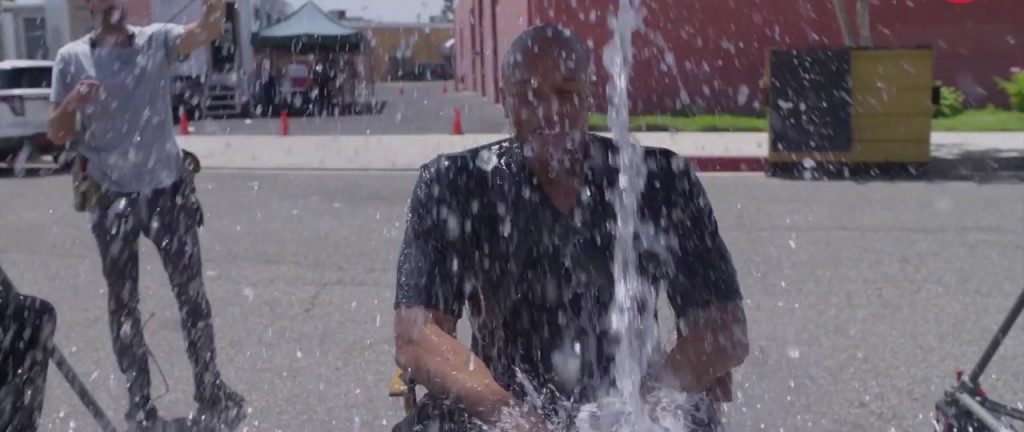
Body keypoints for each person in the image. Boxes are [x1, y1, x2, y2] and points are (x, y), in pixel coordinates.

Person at [392, 24, 750, 432]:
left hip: (630, 400)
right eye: (529, 95)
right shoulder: (453, 185)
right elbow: (417, 336)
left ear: (589, 95)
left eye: (565, 92)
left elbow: (725, 328)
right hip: (501, 400)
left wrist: (650, 402)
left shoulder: (660, 181)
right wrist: (511, 416)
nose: (550, 110)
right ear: (507, 102)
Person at [46, 0, 246, 429]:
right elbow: (56, 131)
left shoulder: (157, 40)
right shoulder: (71, 58)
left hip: (167, 193)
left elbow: (205, 30)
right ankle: (140, 402)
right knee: (123, 307)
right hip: (110, 198)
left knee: (192, 299)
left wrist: (216, 5)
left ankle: (210, 389)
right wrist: (73, 103)